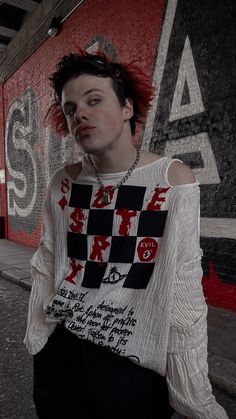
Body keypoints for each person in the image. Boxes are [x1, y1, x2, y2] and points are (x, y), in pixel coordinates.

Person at [24, 50, 228, 419]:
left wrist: (195, 396)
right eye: (70, 109)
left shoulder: (173, 180)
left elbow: (183, 287)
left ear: (128, 109)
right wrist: (39, 340)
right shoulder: (63, 183)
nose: (80, 114)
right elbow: (47, 260)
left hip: (133, 367)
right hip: (62, 359)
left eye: (94, 100)